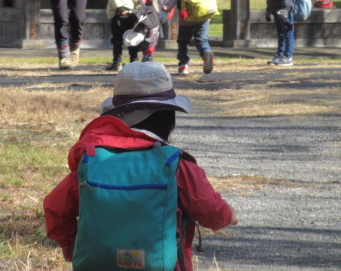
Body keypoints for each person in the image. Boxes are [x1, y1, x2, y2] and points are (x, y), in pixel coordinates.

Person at [43, 61, 239, 271]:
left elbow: (55, 208)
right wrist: (229, 215)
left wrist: (71, 245)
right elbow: (212, 212)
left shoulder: (92, 160)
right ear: (167, 117)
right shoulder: (175, 165)